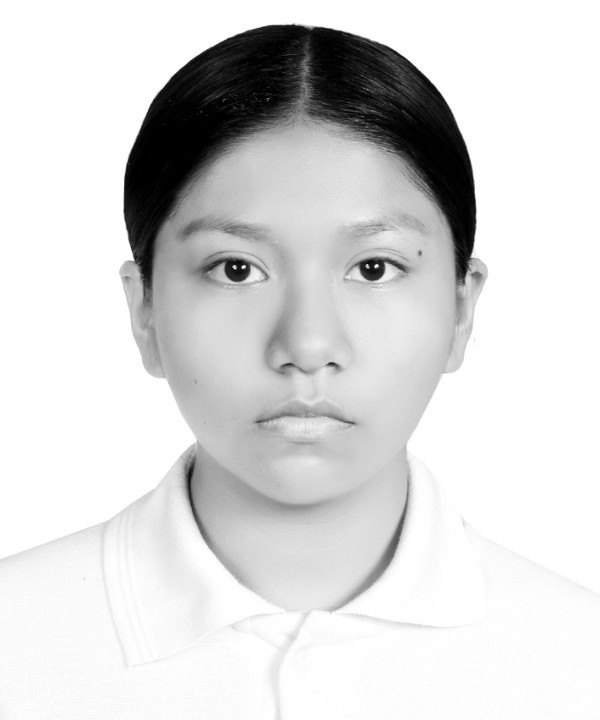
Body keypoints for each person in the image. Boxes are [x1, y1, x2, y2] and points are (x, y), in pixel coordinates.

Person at [0, 23, 598, 719]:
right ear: (145, 311)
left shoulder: (579, 665)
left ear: (462, 310)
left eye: (373, 268)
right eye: (236, 269)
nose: (308, 345)